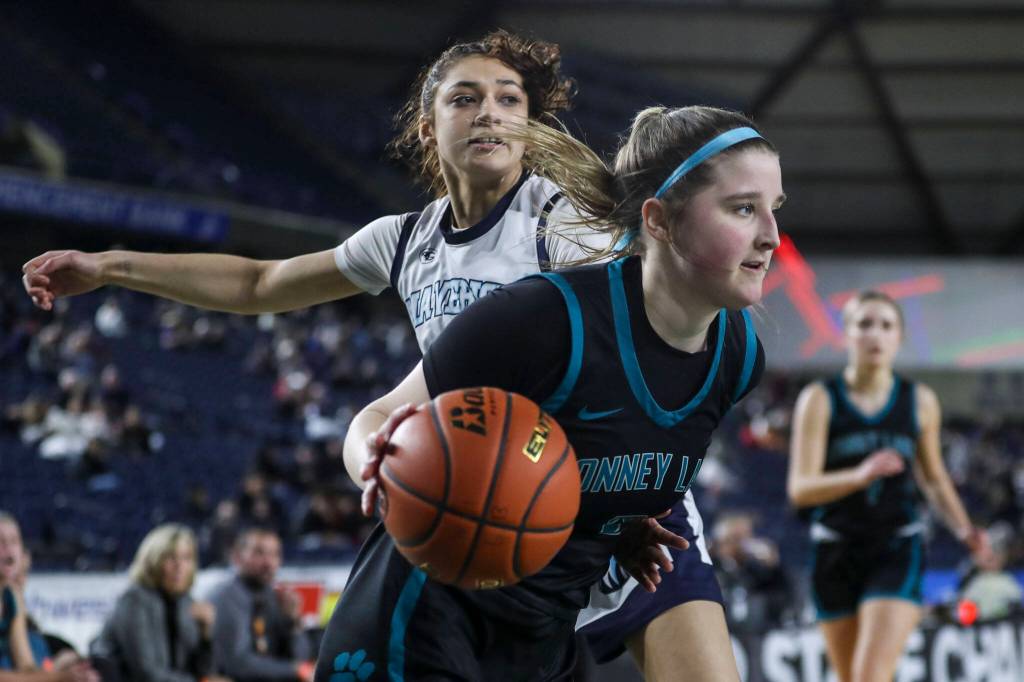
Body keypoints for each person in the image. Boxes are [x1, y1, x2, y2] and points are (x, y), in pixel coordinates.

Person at [20, 31, 738, 679]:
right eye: (466, 97)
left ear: (529, 124)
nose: (489, 111)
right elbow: (259, 281)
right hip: (508, 517)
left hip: (624, 509)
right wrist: (112, 264)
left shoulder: (563, 225)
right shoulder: (402, 241)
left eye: (508, 98)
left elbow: (654, 338)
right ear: (431, 127)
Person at [323, 105, 781, 680]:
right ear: (659, 221)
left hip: (541, 635)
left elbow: (591, 467)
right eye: (743, 209)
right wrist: (383, 466)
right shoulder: (544, 318)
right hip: (424, 619)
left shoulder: (737, 359)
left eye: (774, 209)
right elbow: (379, 415)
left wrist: (620, 525)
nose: (772, 236)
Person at [788, 290, 994, 682]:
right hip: (835, 550)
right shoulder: (819, 400)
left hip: (896, 546)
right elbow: (801, 488)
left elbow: (933, 478)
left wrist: (965, 529)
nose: (875, 334)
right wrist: (858, 476)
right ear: (846, 334)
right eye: (864, 324)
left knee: (869, 676)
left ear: (899, 337)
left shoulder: (920, 401)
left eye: (886, 325)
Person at [90, 524, 229, 682]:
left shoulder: (187, 603)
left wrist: (206, 636)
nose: (179, 566)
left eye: (186, 558)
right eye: (170, 558)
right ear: (152, 560)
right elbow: (146, 673)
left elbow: (205, 672)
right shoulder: (134, 601)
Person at [0, 512, 98, 682]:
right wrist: (58, 676)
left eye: (14, 541)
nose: (8, 548)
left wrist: (69, 674)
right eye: (0, 542)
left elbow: (27, 667)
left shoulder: (12, 597)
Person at [207, 528, 314, 682]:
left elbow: (300, 658)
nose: (268, 563)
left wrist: (293, 622)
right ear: (237, 557)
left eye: (275, 554)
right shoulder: (226, 597)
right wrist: (294, 670)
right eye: (259, 553)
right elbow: (238, 665)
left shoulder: (275, 597)